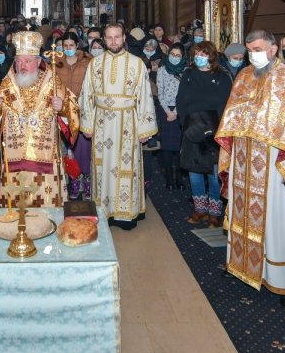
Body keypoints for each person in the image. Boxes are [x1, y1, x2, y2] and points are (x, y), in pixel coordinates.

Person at [216, 31, 285, 306]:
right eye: (251, 49)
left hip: (277, 164)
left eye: (258, 49)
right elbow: (230, 116)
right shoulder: (242, 77)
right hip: (244, 161)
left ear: (273, 49)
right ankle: (242, 267)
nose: (253, 54)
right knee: (242, 216)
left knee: (279, 223)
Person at [0, 31, 79, 207]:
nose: (22, 66)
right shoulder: (7, 84)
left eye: (27, 61)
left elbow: (73, 110)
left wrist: (63, 109)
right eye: (19, 62)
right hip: (14, 157)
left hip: (45, 159)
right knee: (15, 207)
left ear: (38, 61)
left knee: (46, 208)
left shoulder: (52, 83)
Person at [78, 22, 157, 229]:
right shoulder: (94, 64)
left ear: (123, 38)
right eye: (109, 37)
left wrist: (144, 128)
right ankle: (104, 213)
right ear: (104, 39)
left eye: (117, 37)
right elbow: (86, 95)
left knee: (126, 169)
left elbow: (145, 97)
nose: (113, 41)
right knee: (103, 169)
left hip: (128, 125)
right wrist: (87, 124)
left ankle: (125, 215)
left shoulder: (137, 64)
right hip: (102, 124)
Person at [177, 41, 233, 226]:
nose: (199, 57)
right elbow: (181, 100)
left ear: (211, 56)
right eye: (197, 54)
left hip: (213, 130)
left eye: (203, 54)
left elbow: (225, 105)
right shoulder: (188, 74)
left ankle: (215, 212)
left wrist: (216, 130)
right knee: (194, 171)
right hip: (191, 128)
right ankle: (200, 209)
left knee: (213, 172)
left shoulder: (222, 77)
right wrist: (186, 125)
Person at [55, 33, 93, 199]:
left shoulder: (87, 61)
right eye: (66, 46)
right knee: (65, 148)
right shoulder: (56, 62)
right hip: (62, 111)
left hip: (82, 109)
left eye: (71, 45)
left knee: (83, 148)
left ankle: (86, 179)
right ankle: (72, 181)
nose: (68, 49)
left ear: (77, 45)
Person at [155, 42, 187, 190]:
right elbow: (160, 93)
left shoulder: (186, 71)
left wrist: (176, 112)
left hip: (180, 111)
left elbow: (185, 95)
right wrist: (168, 112)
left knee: (179, 148)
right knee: (167, 148)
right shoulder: (161, 70)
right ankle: (169, 178)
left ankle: (179, 178)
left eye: (178, 55)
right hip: (165, 110)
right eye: (172, 54)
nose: (175, 57)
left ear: (182, 57)